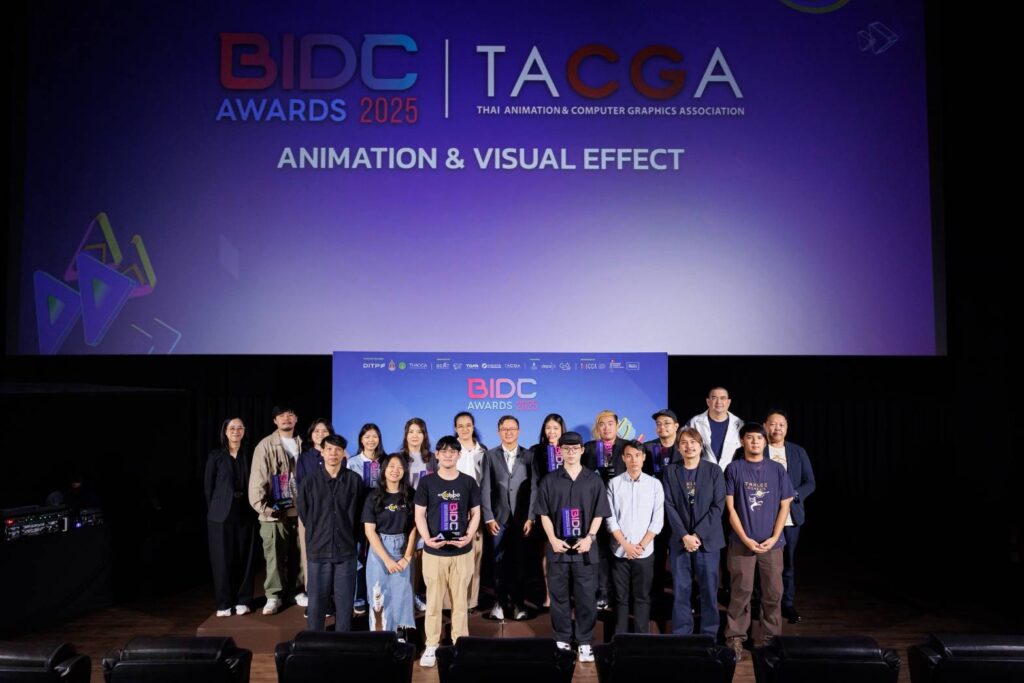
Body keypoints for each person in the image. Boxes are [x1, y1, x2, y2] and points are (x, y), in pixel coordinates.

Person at [535, 432, 611, 664]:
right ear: (559, 451)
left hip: (584, 549)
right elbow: (543, 513)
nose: (570, 452)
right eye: (566, 449)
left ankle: (585, 641)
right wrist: (552, 539)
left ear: (582, 450)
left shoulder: (593, 480)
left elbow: (600, 512)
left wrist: (590, 537)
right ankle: (562, 639)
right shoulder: (549, 480)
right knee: (559, 597)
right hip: (558, 549)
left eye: (574, 448)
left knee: (586, 597)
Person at [723, 423, 795, 660]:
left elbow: (785, 505)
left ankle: (770, 640)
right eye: (750, 438)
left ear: (765, 442)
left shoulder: (777, 469)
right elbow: (731, 509)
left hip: (772, 545)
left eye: (759, 438)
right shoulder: (734, 469)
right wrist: (745, 538)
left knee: (773, 593)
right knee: (740, 592)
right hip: (741, 543)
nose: (755, 442)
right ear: (742, 441)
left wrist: (774, 537)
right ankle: (735, 638)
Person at [414, 436, 481, 668]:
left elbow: (476, 513)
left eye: (453, 451)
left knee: (460, 603)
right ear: (437, 454)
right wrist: (427, 540)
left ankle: (460, 643)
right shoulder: (427, 482)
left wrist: (469, 536)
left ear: (458, 455)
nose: (448, 455)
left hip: (462, 552)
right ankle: (431, 644)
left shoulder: (468, 482)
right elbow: (419, 514)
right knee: (433, 602)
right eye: (444, 451)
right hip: (434, 554)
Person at [662, 427, 725, 637]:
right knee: (681, 591)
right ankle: (682, 634)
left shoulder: (714, 471)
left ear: (700, 445)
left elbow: (718, 506)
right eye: (684, 443)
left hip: (707, 542)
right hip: (680, 542)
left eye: (693, 442)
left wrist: (696, 535)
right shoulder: (671, 471)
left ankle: (709, 635)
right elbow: (669, 505)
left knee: (709, 591)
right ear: (678, 448)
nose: (689, 446)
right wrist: (684, 536)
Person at [297, 434, 363, 631]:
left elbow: (358, 514)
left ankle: (342, 643)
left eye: (338, 450)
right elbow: (304, 514)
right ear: (323, 452)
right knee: (316, 604)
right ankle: (314, 643)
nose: (333, 453)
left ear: (343, 454)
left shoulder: (354, 480)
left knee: (344, 604)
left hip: (346, 551)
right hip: (318, 550)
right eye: (329, 449)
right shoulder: (309, 481)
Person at [248, 405, 304, 615]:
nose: (286, 418)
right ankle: (273, 595)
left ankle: (297, 590)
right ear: (275, 420)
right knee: (274, 556)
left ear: (296, 418)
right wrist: (263, 507)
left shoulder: (304, 443)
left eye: (290, 414)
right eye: (281, 415)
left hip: (300, 510)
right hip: (274, 512)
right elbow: (257, 479)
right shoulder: (265, 445)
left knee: (300, 554)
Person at [481, 415, 537, 621]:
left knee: (520, 563)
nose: (509, 432)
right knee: (498, 562)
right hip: (498, 518)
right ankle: (499, 603)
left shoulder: (529, 456)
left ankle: (519, 605)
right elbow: (485, 487)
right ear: (499, 432)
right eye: (504, 429)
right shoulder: (490, 455)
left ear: (519, 431)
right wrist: (488, 517)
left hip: (522, 519)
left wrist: (531, 517)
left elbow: (534, 488)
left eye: (512, 429)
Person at [605, 440, 664, 634]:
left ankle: (642, 640)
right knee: (620, 598)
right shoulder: (614, 483)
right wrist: (625, 545)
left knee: (642, 597)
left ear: (644, 457)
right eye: (629, 456)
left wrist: (640, 546)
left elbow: (657, 521)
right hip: (620, 551)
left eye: (638, 456)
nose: (634, 460)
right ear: (623, 458)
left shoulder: (654, 485)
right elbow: (610, 519)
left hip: (644, 552)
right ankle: (620, 639)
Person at [764, 410, 816, 623]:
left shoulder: (797, 451)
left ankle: (787, 603)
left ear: (786, 428)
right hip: (763, 517)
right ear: (765, 425)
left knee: (788, 562)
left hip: (791, 516)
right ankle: (762, 602)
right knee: (764, 562)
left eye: (781, 425)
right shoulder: (757, 448)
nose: (777, 428)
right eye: (773, 424)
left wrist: (793, 495)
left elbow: (810, 483)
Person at [204, 417, 258, 617]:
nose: (236, 431)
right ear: (225, 432)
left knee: (245, 557)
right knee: (222, 560)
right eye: (232, 428)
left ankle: (243, 600)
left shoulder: (250, 454)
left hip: (246, 512)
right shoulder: (216, 456)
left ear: (244, 431)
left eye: (239, 428)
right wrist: (215, 508)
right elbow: (208, 487)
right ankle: (224, 603)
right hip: (221, 515)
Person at [362, 452, 418, 639]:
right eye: (391, 466)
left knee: (402, 593)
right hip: (379, 549)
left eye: (400, 467)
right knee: (378, 593)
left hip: (403, 547)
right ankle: (379, 636)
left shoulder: (410, 495)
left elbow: (414, 528)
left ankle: (399, 635)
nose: (395, 470)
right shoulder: (373, 496)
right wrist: (386, 559)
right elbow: (370, 531)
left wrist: (407, 557)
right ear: (384, 469)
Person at [348, 423, 388, 617]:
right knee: (358, 557)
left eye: (375, 436)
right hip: (358, 517)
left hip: (381, 517)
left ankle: (379, 595)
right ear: (361, 440)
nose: (371, 440)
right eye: (367, 437)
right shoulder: (352, 462)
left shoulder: (386, 461)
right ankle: (359, 596)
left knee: (379, 556)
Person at [295, 418, 335, 608]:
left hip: (333, 515)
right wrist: (307, 516)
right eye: (316, 431)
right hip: (310, 514)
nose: (320, 434)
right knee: (309, 555)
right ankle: (312, 595)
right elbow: (300, 487)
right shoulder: (304, 458)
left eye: (324, 431)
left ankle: (330, 596)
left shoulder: (337, 455)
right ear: (311, 435)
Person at [532, 413, 567, 608]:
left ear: (562, 430)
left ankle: (565, 595)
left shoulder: (570, 449)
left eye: (555, 428)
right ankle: (548, 594)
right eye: (548, 428)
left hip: (567, 508)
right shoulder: (536, 451)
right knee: (546, 552)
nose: (551, 432)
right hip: (545, 507)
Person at [454, 411, 486, 612]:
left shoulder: (483, 452)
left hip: (476, 510)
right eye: (460, 425)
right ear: (455, 428)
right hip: (452, 510)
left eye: (468, 425)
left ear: (473, 427)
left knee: (475, 556)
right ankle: (453, 601)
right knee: (454, 559)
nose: (465, 429)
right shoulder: (450, 450)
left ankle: (470, 601)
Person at [686, 387, 744, 470]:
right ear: (708, 401)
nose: (719, 402)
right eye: (714, 398)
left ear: (728, 402)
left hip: (731, 472)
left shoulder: (739, 424)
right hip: (702, 471)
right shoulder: (695, 423)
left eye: (723, 398)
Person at [399, 417, 435, 488]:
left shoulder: (432, 457)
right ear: (406, 435)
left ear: (424, 435)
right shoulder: (399, 458)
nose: (415, 435)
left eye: (419, 432)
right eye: (411, 432)